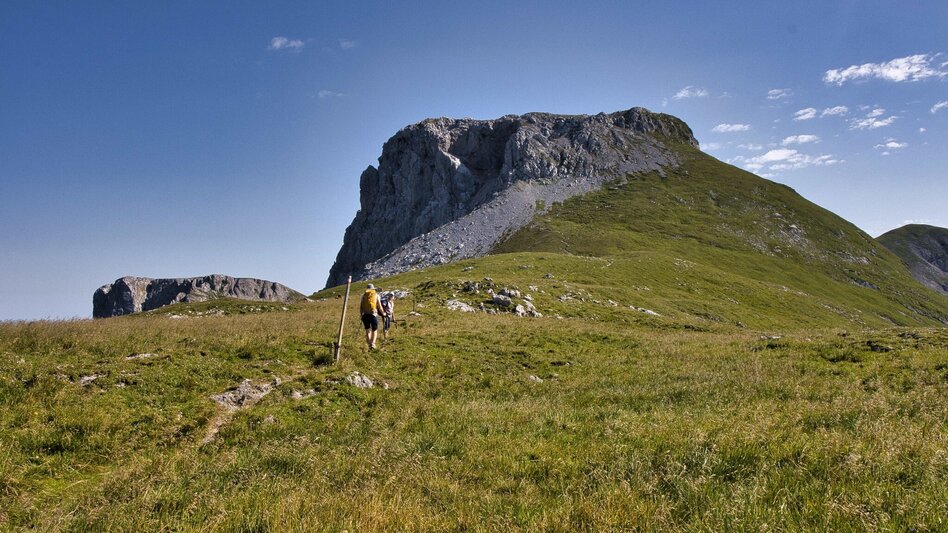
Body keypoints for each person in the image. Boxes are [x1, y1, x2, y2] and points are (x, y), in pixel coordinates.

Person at [360, 283, 386, 350]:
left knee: (368, 330)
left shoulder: (363, 295)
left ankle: (369, 345)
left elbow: (361, 307)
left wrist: (361, 315)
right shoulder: (376, 295)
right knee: (374, 330)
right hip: (373, 314)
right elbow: (379, 306)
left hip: (365, 315)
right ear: (373, 289)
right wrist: (383, 313)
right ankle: (373, 344)